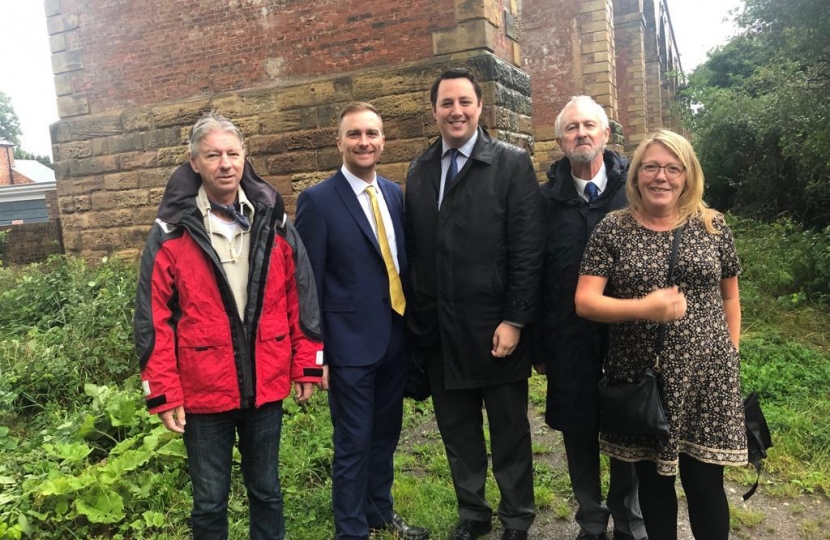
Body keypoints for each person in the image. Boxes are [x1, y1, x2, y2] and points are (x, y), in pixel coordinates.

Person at [134, 112, 325, 540]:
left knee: (268, 492)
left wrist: (307, 362)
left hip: (265, 381)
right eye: (213, 155)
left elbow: (301, 292)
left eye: (233, 153)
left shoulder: (272, 218)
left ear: (244, 158)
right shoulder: (170, 231)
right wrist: (163, 392)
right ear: (193, 162)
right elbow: (153, 317)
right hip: (203, 392)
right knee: (209, 502)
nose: (225, 163)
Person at [574, 129, 747, 540]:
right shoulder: (613, 229)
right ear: (636, 176)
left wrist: (730, 354)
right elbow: (585, 301)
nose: (661, 177)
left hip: (708, 379)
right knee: (654, 485)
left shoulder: (712, 225)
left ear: (688, 176)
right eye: (651, 167)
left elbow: (730, 297)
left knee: (706, 485)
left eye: (673, 168)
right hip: (644, 379)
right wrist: (644, 308)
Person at [405, 68, 544, 540]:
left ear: (480, 107)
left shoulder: (510, 163)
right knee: (459, 435)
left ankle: (517, 518)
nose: (456, 111)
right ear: (434, 111)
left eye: (465, 101)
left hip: (495, 329)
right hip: (442, 332)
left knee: (509, 434)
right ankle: (473, 515)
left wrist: (515, 319)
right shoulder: (420, 171)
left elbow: (527, 250)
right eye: (446, 103)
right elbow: (419, 255)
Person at [295, 102, 429, 540]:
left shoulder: (393, 193)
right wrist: (319, 354)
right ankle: (350, 529)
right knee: (352, 441)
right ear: (339, 142)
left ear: (383, 140)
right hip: (348, 345)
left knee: (385, 434)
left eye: (372, 133)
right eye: (354, 134)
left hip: (395, 337)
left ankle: (379, 512)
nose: (364, 142)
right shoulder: (317, 200)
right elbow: (308, 282)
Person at [535, 96, 646, 540]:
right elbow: (534, 273)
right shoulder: (544, 201)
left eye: (589, 125)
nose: (581, 133)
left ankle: (628, 518)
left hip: (627, 336)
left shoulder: (632, 191)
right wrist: (540, 345)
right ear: (561, 141)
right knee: (578, 430)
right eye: (571, 128)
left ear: (606, 134)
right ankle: (591, 520)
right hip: (568, 338)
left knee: (627, 426)